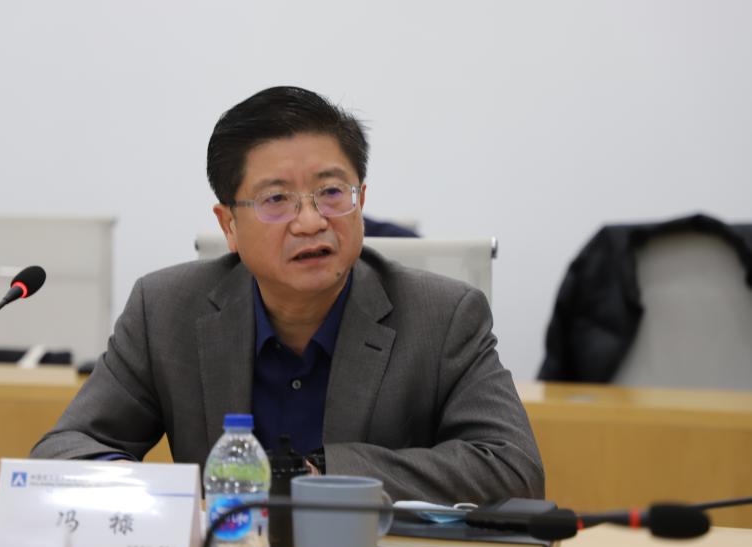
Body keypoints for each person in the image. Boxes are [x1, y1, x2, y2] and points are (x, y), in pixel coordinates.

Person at [31, 86, 544, 504]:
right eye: (277, 199)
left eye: (332, 192)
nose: (311, 221)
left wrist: (318, 474)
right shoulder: (165, 310)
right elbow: (63, 452)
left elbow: (512, 467)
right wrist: (171, 495)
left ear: (361, 199)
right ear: (229, 226)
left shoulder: (443, 316)